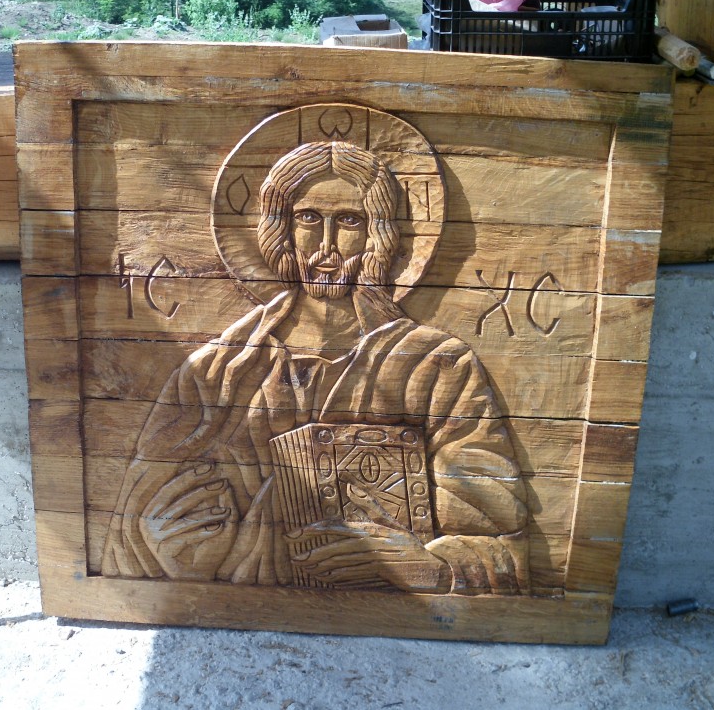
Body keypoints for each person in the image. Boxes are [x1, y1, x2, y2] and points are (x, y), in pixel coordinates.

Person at [101, 141, 530, 595]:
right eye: (308, 218)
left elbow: (501, 544)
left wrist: (429, 569)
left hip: (390, 616)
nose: (326, 245)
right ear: (281, 229)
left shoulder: (435, 367)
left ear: (378, 234)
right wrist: (168, 551)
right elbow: (130, 536)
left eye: (349, 221)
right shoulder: (216, 373)